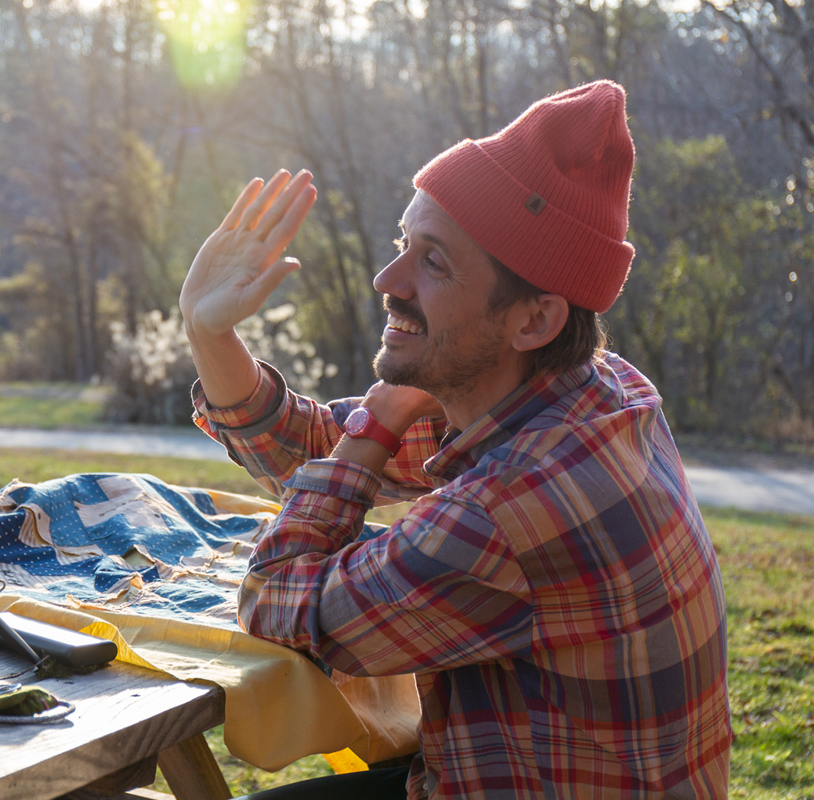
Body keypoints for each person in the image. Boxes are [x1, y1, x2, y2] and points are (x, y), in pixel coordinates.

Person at [179, 81, 732, 799]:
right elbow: (312, 452)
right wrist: (208, 332)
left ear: (533, 320)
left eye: (433, 262)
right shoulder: (597, 391)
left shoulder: (507, 512)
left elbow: (278, 599)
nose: (388, 279)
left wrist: (372, 432)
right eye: (404, 243)